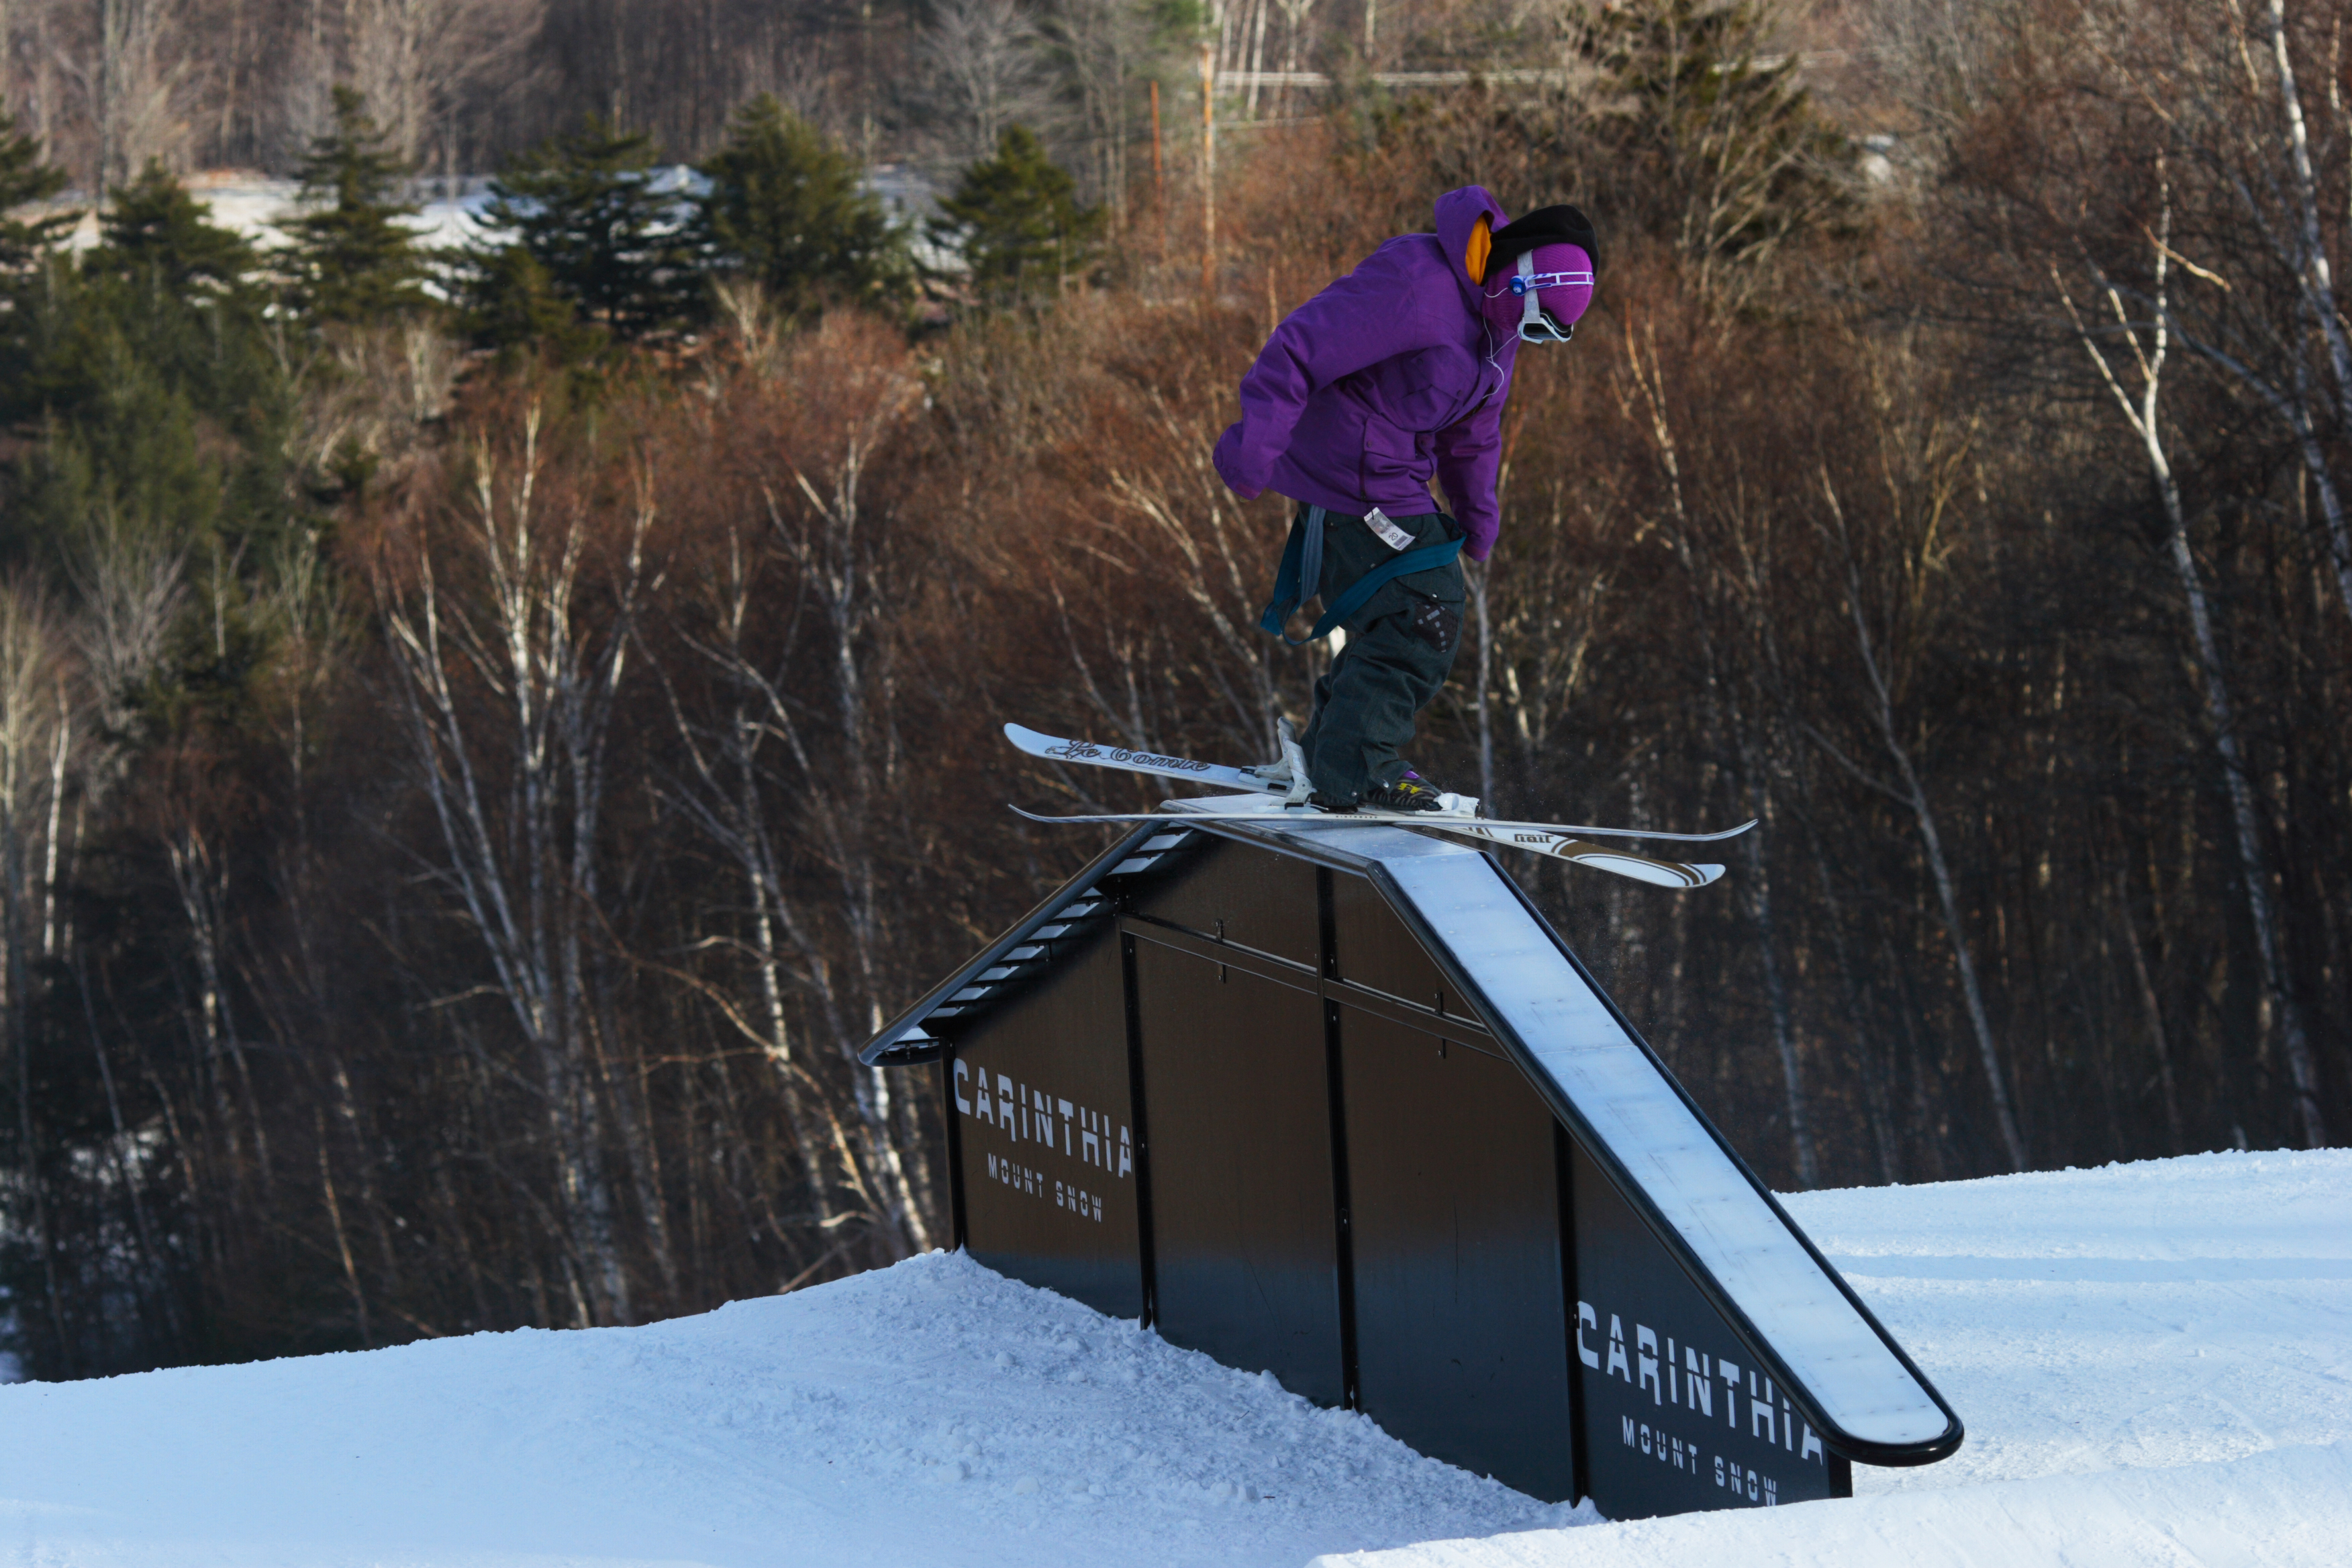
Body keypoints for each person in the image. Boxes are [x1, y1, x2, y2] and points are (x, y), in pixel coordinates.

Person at [1214, 187, 1596, 812]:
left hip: (1389, 472)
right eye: (1538, 324)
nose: (1535, 340)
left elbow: (1474, 432)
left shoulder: (1499, 332)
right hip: (1347, 467)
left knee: (1403, 612)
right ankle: (1358, 767)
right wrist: (1255, 446)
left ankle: (1328, 755)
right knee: (1428, 607)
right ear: (1518, 283)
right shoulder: (1418, 285)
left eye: (1551, 336)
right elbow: (1300, 346)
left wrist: (1477, 517)